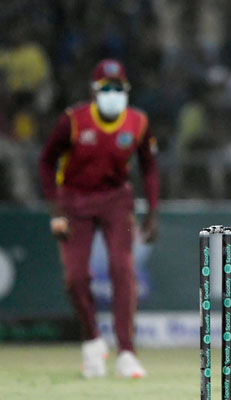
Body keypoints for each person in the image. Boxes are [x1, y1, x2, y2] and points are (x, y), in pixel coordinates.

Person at [39, 59, 159, 379]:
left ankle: (126, 352)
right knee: (75, 278)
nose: (112, 93)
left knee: (123, 270)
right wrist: (55, 211)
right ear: (94, 91)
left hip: (116, 200)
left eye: (118, 87)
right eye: (106, 88)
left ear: (126, 90)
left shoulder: (137, 122)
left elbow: (149, 168)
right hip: (74, 201)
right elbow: (46, 162)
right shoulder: (73, 121)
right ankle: (93, 341)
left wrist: (152, 213)